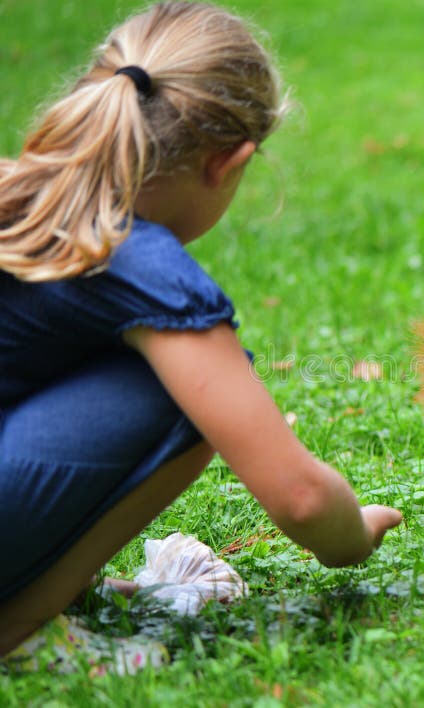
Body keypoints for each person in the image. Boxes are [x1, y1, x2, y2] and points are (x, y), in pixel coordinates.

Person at [0, 1, 402, 655]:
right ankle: (16, 629)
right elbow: (300, 498)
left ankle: (56, 582)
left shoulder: (16, 191)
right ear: (228, 162)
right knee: (191, 394)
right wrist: (352, 533)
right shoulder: (141, 264)